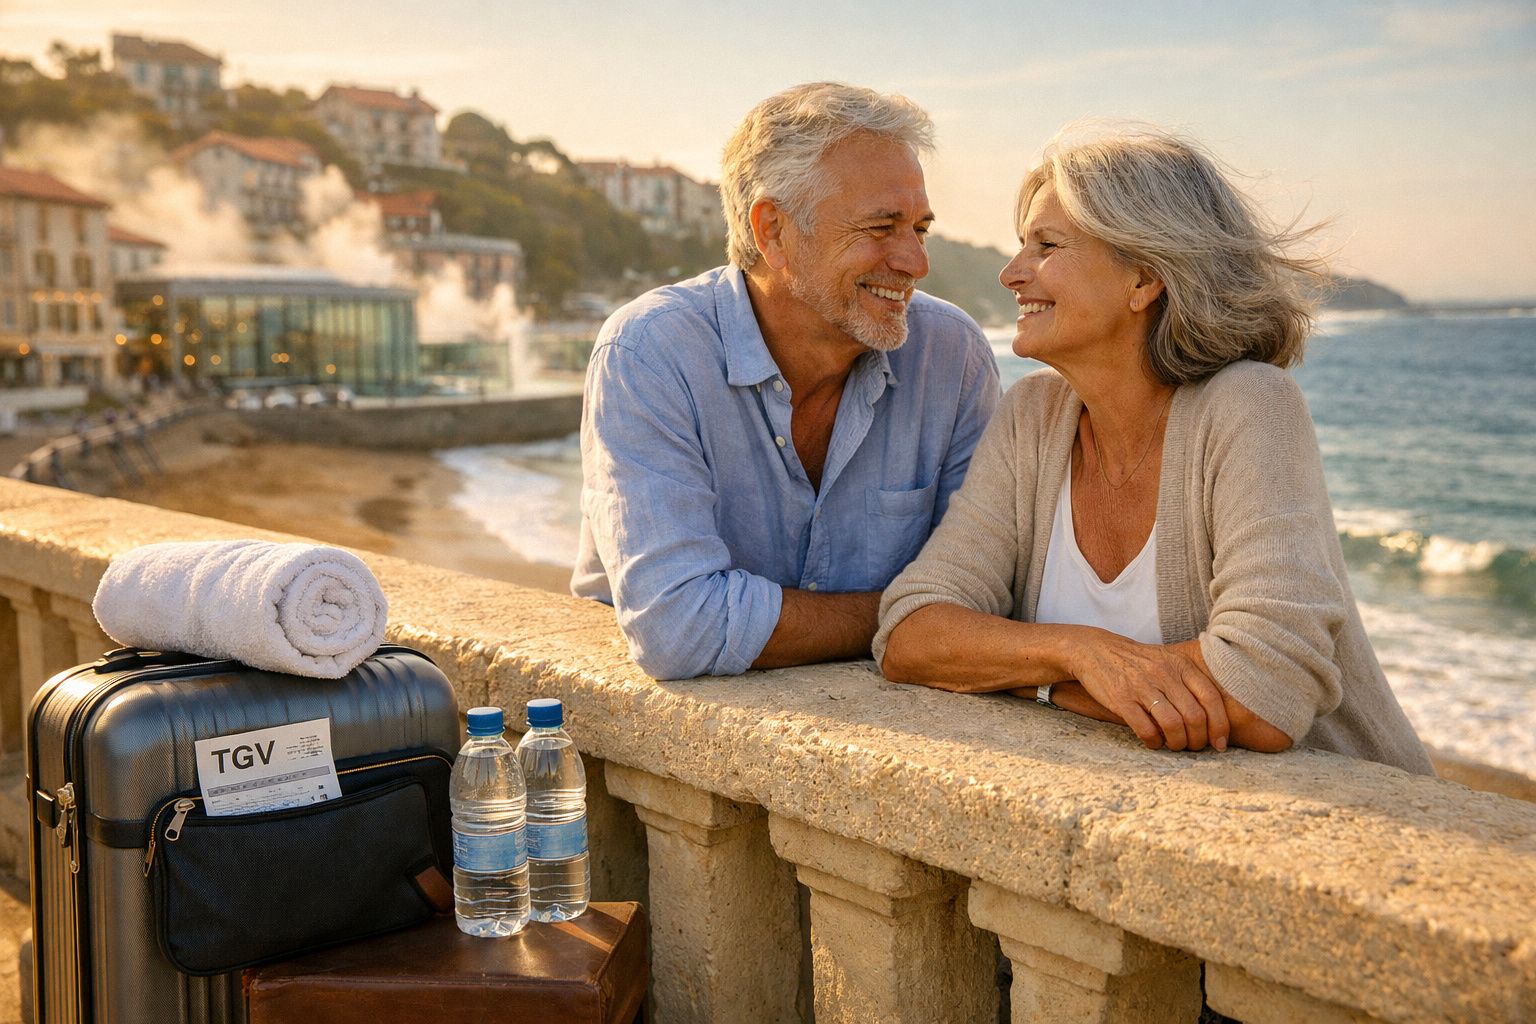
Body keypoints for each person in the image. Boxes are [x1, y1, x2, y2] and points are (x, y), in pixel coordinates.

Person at [875, 126, 1432, 773]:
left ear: (1143, 278)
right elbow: (912, 632)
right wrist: (1083, 655)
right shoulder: (1033, 415)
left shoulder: (1249, 403)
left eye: (1047, 246)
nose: (1011, 273)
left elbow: (1266, 692)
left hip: (1353, 834)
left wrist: (1021, 675)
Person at [573, 82, 1001, 680]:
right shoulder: (651, 351)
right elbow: (677, 628)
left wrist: (942, 619)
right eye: (882, 227)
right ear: (772, 230)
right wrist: (913, 620)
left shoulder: (951, 356)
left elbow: (989, 590)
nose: (916, 262)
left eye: (920, 229)